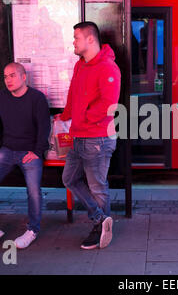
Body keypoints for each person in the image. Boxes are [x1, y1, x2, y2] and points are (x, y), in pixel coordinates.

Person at [0, 62, 50, 249]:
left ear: (24, 77)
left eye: (13, 75)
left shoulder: (36, 98)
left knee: (33, 190)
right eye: (5, 76)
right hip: (7, 150)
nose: (8, 80)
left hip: (30, 152)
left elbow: (44, 127)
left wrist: (37, 151)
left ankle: (32, 230)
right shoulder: (0, 97)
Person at [56, 21, 121, 250]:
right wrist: (65, 116)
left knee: (97, 186)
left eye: (76, 37)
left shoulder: (108, 67)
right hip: (78, 135)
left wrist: (81, 118)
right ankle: (102, 219)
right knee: (69, 179)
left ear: (90, 39)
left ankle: (100, 228)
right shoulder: (79, 65)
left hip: (98, 139)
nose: (73, 42)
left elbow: (109, 104)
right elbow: (73, 95)